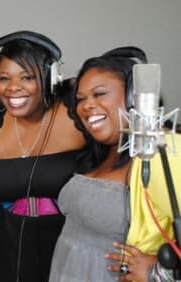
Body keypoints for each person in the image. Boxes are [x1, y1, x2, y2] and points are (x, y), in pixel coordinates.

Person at [49, 47, 181, 282]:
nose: (86, 105)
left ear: (134, 97)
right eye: (80, 99)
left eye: (99, 94)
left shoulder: (162, 152)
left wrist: (160, 273)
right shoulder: (97, 153)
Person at [0, 31, 86, 282]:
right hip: (9, 253)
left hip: (68, 252)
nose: (13, 88)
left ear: (50, 78)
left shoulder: (78, 115)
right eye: (4, 78)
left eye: (27, 77)